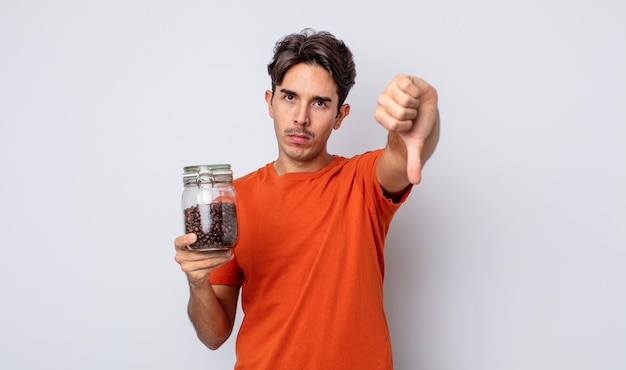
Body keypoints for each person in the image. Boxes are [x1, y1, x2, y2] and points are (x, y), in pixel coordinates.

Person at [174, 28, 440, 369]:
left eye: (319, 102)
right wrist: (197, 283)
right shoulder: (232, 198)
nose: (301, 117)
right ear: (269, 102)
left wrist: (422, 117)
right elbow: (214, 336)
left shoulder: (361, 181)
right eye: (289, 97)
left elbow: (402, 156)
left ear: (340, 115)